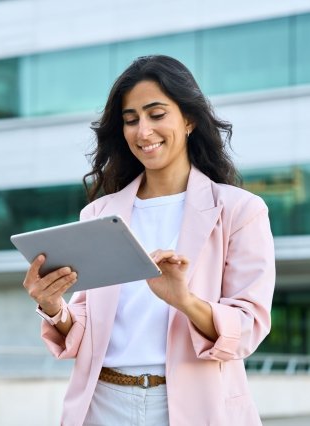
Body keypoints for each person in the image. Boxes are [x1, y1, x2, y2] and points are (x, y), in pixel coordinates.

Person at [22, 55, 276, 426]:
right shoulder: (99, 214)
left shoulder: (239, 210)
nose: (143, 131)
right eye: (131, 119)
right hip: (102, 403)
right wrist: (52, 306)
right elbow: (84, 328)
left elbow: (248, 326)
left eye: (157, 115)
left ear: (189, 119)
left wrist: (185, 301)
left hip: (193, 405)